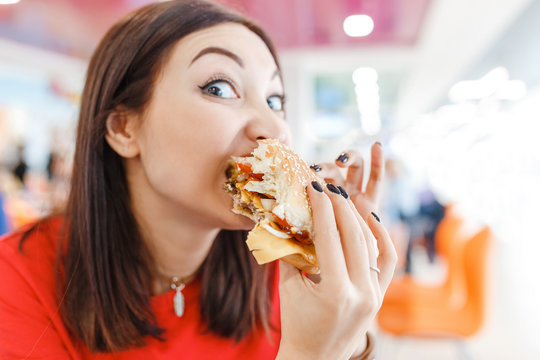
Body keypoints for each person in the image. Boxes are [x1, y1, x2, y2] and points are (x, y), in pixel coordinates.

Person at [0, 1, 396, 359]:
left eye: (276, 100)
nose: (273, 126)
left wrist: (345, 304)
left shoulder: (280, 270)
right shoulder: (14, 282)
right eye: (219, 88)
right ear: (124, 128)